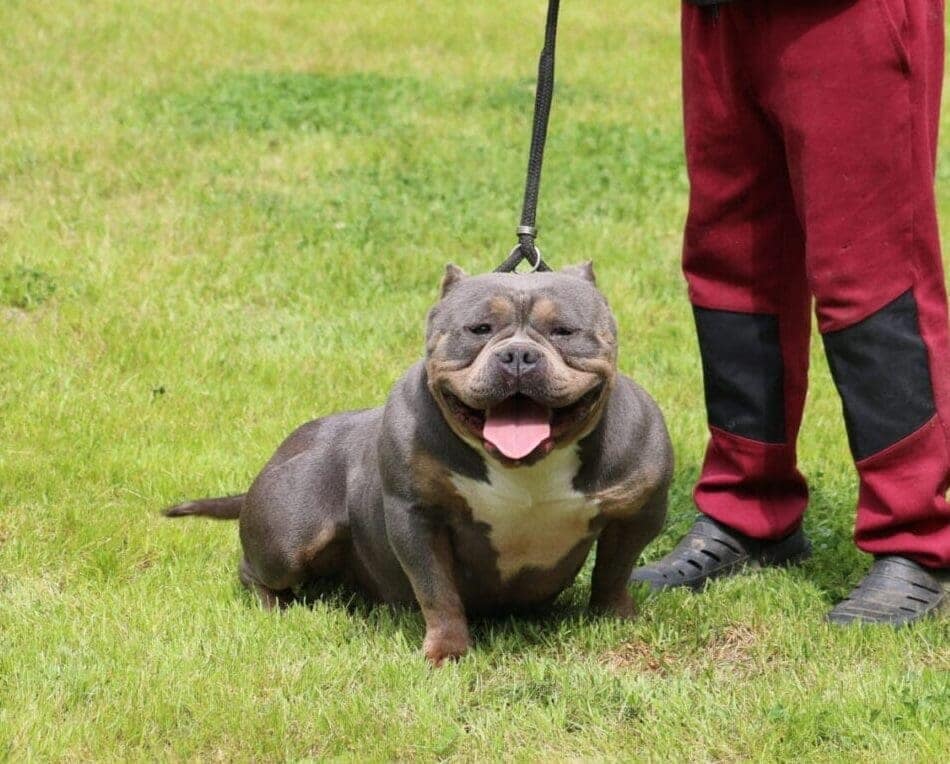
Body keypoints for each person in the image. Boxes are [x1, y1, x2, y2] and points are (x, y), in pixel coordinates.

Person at [631, 0, 949, 623]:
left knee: (869, 267)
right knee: (732, 261)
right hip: (720, 16)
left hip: (845, 14)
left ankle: (916, 537)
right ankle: (748, 508)